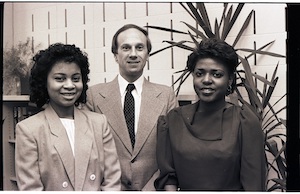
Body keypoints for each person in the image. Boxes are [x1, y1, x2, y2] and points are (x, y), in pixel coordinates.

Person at [154, 38, 266, 191]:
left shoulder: (245, 122)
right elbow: (169, 179)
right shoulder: (174, 120)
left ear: (229, 80)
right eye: (200, 73)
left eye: (217, 74)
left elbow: (253, 185)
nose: (206, 80)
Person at [15, 43, 121, 191]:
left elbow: (112, 181)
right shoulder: (28, 129)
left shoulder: (99, 123)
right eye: (60, 79)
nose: (70, 85)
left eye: (76, 78)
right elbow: (31, 188)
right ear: (44, 82)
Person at [84, 24, 178, 191]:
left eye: (139, 48)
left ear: (147, 54)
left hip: (154, 189)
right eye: (126, 48)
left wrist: (152, 188)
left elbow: (172, 150)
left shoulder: (166, 95)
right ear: (115, 55)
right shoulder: (94, 95)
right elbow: (89, 152)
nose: (133, 54)